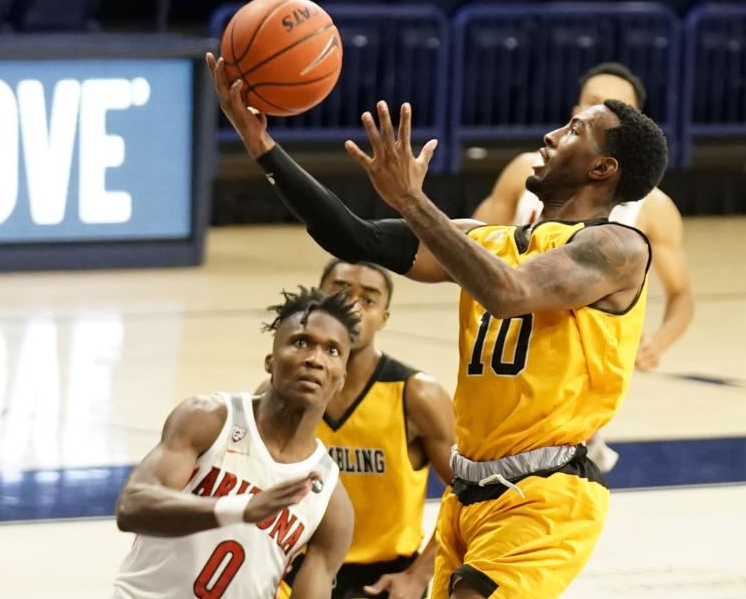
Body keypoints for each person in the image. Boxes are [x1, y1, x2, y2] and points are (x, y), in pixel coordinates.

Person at [207, 52, 668, 598]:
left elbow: (509, 292)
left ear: (603, 168)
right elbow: (353, 237)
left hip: (548, 495)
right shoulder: (487, 239)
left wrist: (410, 199)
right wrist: (261, 145)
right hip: (469, 493)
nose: (548, 136)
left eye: (572, 131)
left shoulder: (617, 248)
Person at [113, 287, 357, 599]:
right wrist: (238, 508)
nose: (314, 359)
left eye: (332, 351)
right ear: (269, 361)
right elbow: (131, 506)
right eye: (300, 342)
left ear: (341, 379)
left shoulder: (331, 501)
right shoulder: (209, 419)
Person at [474, 62, 694, 374]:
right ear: (578, 110)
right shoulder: (524, 171)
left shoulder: (653, 207)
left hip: (582, 367)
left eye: (615, 107)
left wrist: (657, 343)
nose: (601, 112)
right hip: (507, 344)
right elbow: (469, 246)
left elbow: (681, 295)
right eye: (594, 104)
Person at [275, 259, 455, 599]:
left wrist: (417, 576)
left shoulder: (417, 395)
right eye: (340, 292)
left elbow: (468, 496)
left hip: (383, 579)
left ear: (384, 317)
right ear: (318, 301)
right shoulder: (283, 391)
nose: (352, 306)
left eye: (368, 299)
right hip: (294, 569)